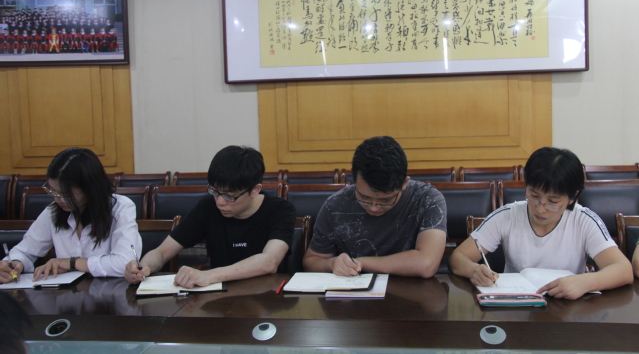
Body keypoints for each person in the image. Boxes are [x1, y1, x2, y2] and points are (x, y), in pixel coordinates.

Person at [449, 147, 633, 300]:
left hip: (567, 308)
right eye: (534, 196)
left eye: (553, 202)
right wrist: (474, 270)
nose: (540, 209)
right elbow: (458, 257)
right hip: (517, 306)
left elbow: (624, 270)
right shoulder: (507, 216)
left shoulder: (583, 220)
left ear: (572, 197)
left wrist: (585, 281)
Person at [124, 146, 295, 288]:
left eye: (229, 196)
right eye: (215, 191)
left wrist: (209, 275)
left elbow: (269, 262)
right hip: (219, 299)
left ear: (255, 190)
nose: (220, 202)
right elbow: (162, 252)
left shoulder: (280, 210)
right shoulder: (207, 207)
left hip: (267, 298)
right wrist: (144, 266)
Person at [302, 136, 447, 278]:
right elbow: (311, 261)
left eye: (385, 200)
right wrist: (332, 264)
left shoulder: (427, 199)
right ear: (354, 181)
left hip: (411, 291)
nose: (374, 208)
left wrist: (359, 263)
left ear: (404, 183)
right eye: (364, 198)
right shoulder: (335, 205)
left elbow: (426, 264)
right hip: (353, 291)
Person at [0, 148, 141, 283]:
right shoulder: (53, 211)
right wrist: (15, 263)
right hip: (66, 294)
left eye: (65, 194)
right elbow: (25, 251)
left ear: (89, 188)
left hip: (111, 294)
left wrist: (72, 263)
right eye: (53, 191)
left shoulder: (120, 207)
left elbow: (126, 263)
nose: (57, 200)